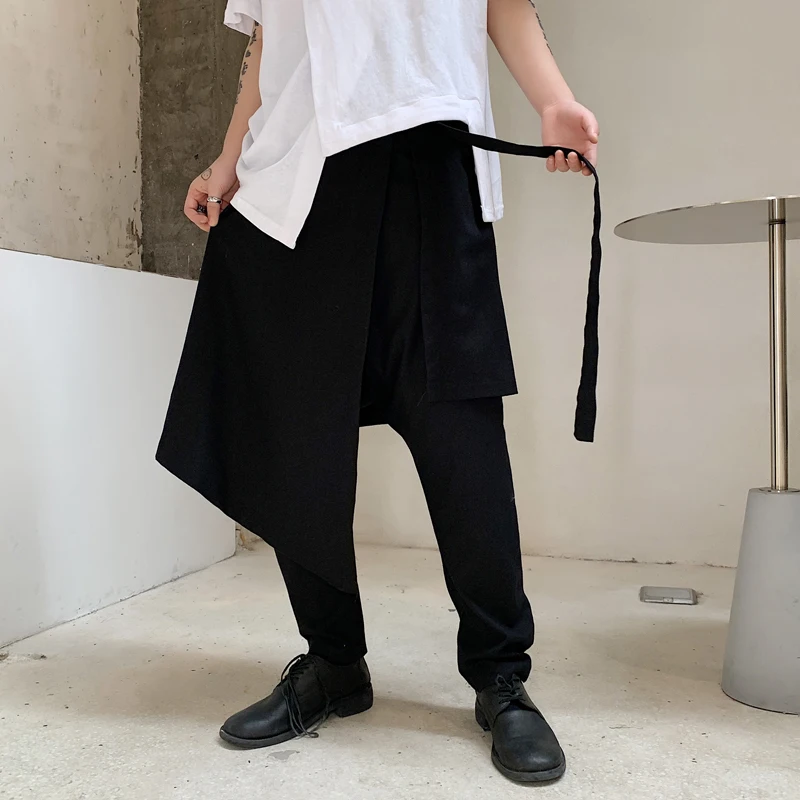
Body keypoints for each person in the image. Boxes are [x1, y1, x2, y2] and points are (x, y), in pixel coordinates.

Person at [157, 0, 599, 784]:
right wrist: (228, 160)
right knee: (296, 430)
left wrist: (552, 99)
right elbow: (271, 36)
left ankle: (501, 675)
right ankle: (333, 662)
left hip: (430, 159)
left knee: (462, 439)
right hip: (295, 178)